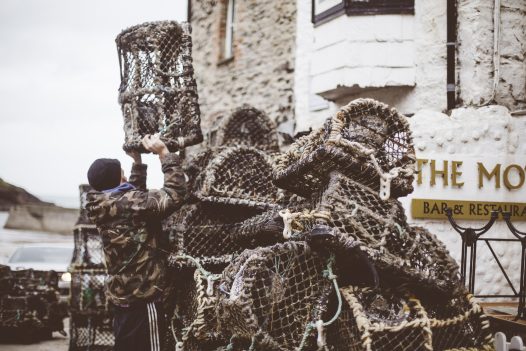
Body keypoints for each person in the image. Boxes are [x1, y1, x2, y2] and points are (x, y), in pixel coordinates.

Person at [85, 134, 186, 351]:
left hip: (123, 294)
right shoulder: (131, 204)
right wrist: (164, 154)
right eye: (123, 174)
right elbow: (175, 194)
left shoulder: (101, 203)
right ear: (120, 179)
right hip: (143, 296)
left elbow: (132, 197)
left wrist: (137, 164)